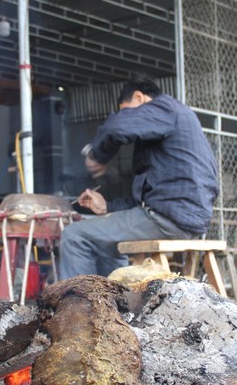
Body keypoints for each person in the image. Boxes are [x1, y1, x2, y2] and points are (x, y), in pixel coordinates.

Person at [59, 75, 219, 279]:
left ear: (139, 97)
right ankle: (114, 304)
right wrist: (107, 208)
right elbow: (145, 201)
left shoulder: (164, 109)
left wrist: (98, 155)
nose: (125, 117)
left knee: (74, 235)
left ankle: (78, 306)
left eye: (126, 111)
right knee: (107, 242)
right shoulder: (172, 124)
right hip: (182, 215)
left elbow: (116, 128)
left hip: (171, 217)